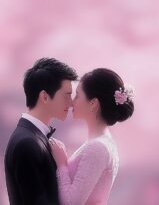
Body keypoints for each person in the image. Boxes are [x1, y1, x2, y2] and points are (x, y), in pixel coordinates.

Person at [50, 68, 135, 205]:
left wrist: (61, 164)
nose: (72, 102)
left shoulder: (98, 147)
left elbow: (71, 202)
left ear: (93, 103)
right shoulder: (101, 143)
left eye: (77, 96)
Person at [4, 57, 78, 205]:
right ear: (44, 97)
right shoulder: (27, 143)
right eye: (67, 95)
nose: (71, 103)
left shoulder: (32, 137)